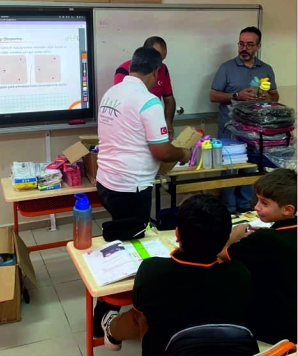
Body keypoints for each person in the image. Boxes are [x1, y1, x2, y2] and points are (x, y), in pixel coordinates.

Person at [93, 47, 192, 338]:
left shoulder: (111, 93)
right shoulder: (148, 101)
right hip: (130, 187)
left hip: (107, 181)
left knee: (121, 240)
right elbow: (161, 151)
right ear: (156, 72)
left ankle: (114, 309)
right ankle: (108, 315)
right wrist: (183, 153)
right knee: (132, 250)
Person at [100, 193, 253, 355]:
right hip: (223, 349)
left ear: (177, 234)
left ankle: (111, 329)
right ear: (226, 239)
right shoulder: (239, 275)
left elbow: (140, 306)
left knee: (141, 315)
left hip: (167, 349)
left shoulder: (152, 271)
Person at [219, 168, 297, 344]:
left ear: (287, 210)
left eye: (264, 203)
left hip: (270, 329)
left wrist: (234, 234)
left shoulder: (265, 239)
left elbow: (222, 254)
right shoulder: (281, 234)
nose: (256, 207)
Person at [210, 26, 280, 213]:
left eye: (249, 45)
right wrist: (236, 95)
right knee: (230, 169)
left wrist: (268, 97)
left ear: (258, 46)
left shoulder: (266, 69)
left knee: (250, 168)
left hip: (255, 130)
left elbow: (275, 96)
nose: (244, 48)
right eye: (241, 44)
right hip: (230, 128)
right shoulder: (226, 68)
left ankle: (246, 208)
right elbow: (213, 96)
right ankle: (229, 209)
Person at [114, 36, 175, 139]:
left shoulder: (162, 69)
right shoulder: (123, 71)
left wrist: (167, 123)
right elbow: (122, 107)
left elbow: (169, 99)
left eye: (162, 60)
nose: (159, 65)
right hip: (132, 129)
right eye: (157, 58)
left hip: (155, 124)